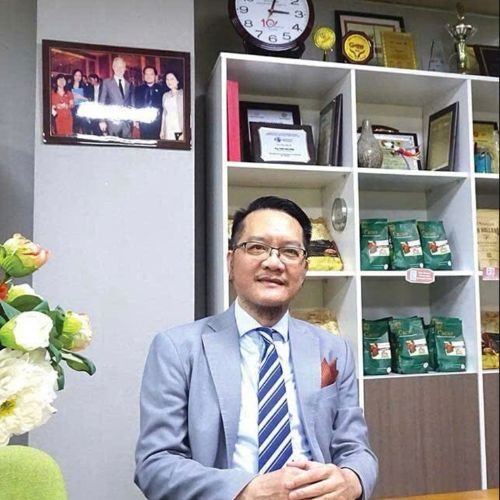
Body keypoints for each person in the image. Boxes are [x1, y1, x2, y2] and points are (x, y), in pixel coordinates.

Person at [135, 195, 378, 500]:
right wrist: (247, 490)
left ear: (304, 270)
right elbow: (155, 465)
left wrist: (351, 480)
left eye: (290, 252)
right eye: (257, 247)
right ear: (230, 262)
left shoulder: (333, 349)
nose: (273, 262)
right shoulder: (177, 349)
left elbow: (356, 449)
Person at [99, 56, 134, 137]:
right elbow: (101, 102)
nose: (119, 69)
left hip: (127, 123)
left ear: (125, 68)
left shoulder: (129, 84)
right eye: (117, 66)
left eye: (122, 67)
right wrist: (102, 120)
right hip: (112, 123)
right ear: (113, 67)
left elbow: (131, 103)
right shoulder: (106, 82)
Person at [134, 65, 164, 139]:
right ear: (144, 76)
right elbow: (136, 106)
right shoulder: (138, 89)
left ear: (155, 76)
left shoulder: (162, 89)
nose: (149, 76)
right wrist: (136, 120)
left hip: (157, 123)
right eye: (146, 74)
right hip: (143, 122)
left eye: (151, 74)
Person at [159, 71, 183, 141]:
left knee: (178, 145)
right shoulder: (165, 95)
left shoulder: (183, 94)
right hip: (168, 126)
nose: (169, 82)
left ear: (177, 80)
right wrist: (162, 130)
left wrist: (184, 131)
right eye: (167, 79)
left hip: (178, 127)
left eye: (172, 79)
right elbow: (164, 113)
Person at [68, 69, 88, 134]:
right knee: (74, 130)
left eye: (79, 75)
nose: (77, 77)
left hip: (82, 111)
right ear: (73, 76)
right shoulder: (68, 86)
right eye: (76, 75)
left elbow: (89, 99)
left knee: (84, 129)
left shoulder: (84, 86)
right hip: (72, 111)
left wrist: (81, 97)